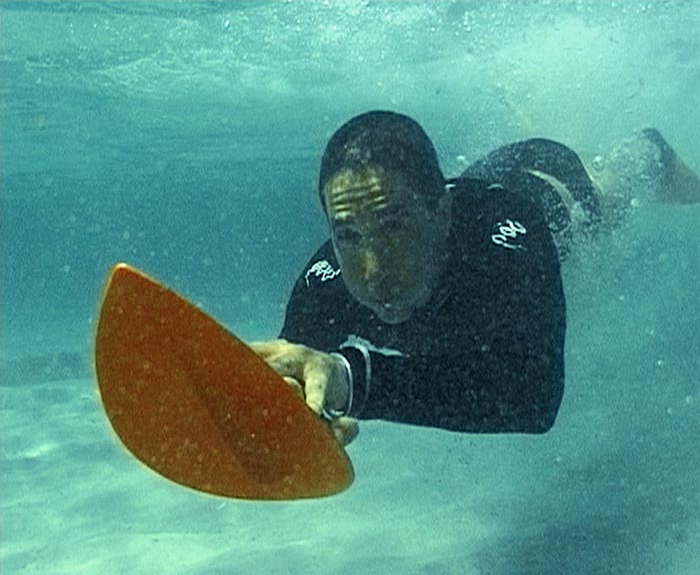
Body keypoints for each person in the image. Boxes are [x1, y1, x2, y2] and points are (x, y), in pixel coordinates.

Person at [251, 111, 700, 446]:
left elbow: (533, 399)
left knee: (610, 196)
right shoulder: (327, 279)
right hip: (485, 172)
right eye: (347, 234)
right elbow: (299, 369)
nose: (372, 271)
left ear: (441, 214)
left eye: (394, 228)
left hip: (551, 186)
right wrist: (300, 400)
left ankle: (647, 153)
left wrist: (354, 380)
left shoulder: (505, 251)